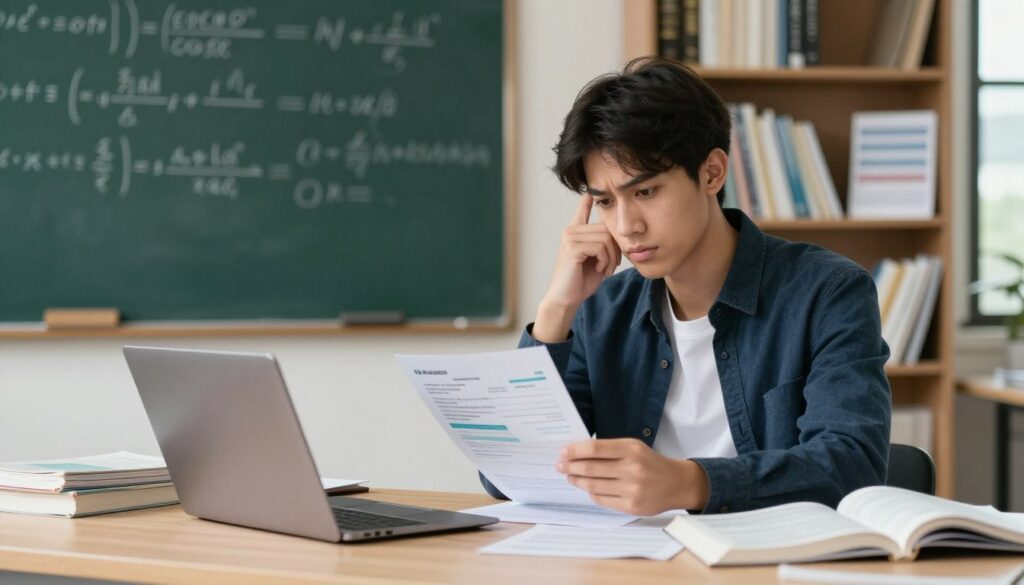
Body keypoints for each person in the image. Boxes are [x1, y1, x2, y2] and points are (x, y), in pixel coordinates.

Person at [480, 57, 891, 515]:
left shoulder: (828, 292)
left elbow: (853, 465)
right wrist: (556, 310)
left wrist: (691, 482)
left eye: (645, 192)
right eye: (604, 202)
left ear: (712, 173)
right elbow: (507, 475)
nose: (626, 226)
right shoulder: (601, 309)